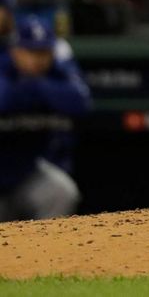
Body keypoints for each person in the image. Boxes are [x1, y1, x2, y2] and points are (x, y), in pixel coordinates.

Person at [0, 16, 90, 221]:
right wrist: (42, 92)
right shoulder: (3, 63)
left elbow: (80, 102)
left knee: (61, 192)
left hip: (24, 171)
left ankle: (48, 253)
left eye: (43, 52)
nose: (37, 59)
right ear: (15, 51)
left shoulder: (56, 70)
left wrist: (33, 85)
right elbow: (2, 99)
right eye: (30, 51)